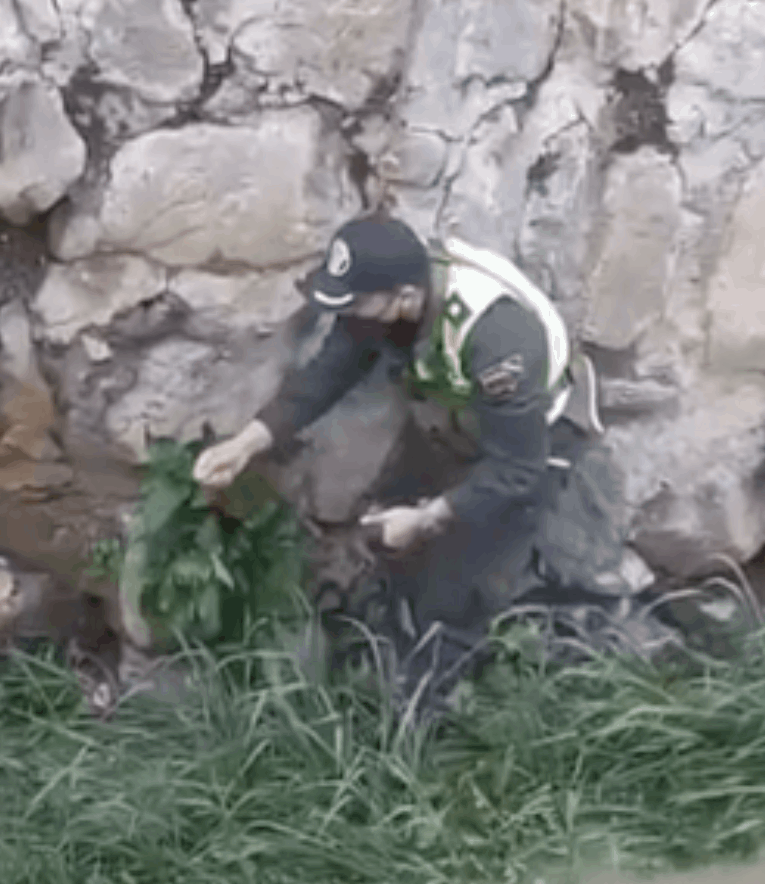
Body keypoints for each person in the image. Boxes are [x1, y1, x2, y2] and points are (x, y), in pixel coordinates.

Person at [193, 212, 629, 712]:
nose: (348, 316)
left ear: (404, 298)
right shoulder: (383, 301)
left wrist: (427, 517)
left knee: (459, 586)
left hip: (535, 438)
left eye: (356, 304)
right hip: (458, 417)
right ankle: (390, 642)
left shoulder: (497, 339)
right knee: (388, 529)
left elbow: (515, 470)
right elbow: (324, 376)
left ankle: (422, 724)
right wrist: (244, 445)